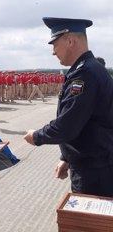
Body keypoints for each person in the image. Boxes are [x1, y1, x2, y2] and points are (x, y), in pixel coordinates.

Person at [24, 17, 113, 197]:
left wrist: (37, 136)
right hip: (96, 163)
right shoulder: (89, 68)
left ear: (70, 41)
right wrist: (67, 158)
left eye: (55, 45)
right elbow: (86, 121)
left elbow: (68, 126)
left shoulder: (84, 74)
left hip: (94, 171)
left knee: (88, 224)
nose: (53, 52)